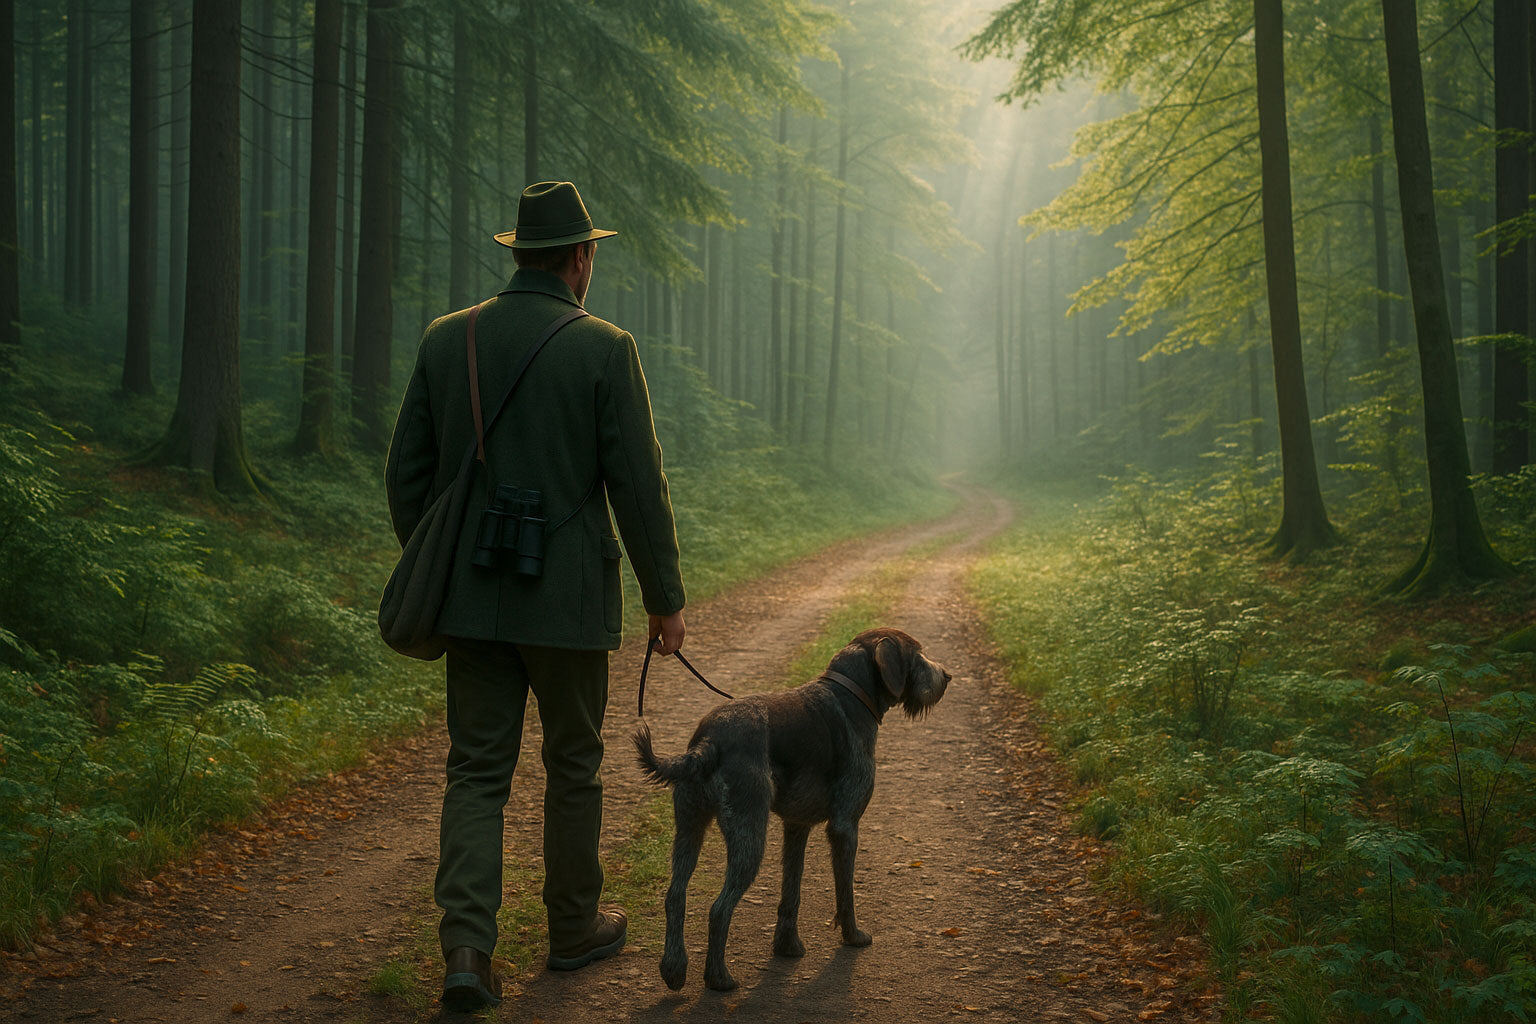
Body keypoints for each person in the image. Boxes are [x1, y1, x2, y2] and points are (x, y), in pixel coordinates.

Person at [385, 180, 687, 1012]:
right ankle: (572, 929)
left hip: (471, 602)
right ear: (581, 259)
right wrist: (665, 598)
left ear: (518, 253)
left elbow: (406, 476)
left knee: (477, 772)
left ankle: (468, 955)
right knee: (574, 766)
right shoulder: (605, 348)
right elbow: (637, 486)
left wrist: (439, 553)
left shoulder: (450, 341)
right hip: (570, 605)